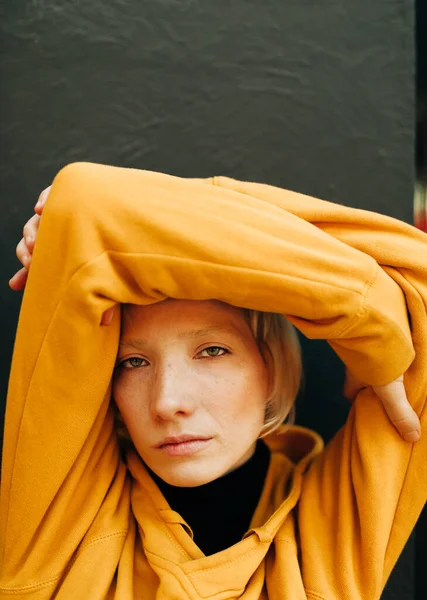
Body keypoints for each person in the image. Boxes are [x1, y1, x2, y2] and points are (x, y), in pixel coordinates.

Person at [1, 162, 426, 600]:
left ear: (271, 367)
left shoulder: (332, 536)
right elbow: (83, 204)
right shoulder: (60, 528)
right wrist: (367, 313)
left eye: (212, 351)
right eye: (132, 362)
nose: (167, 402)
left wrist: (361, 317)